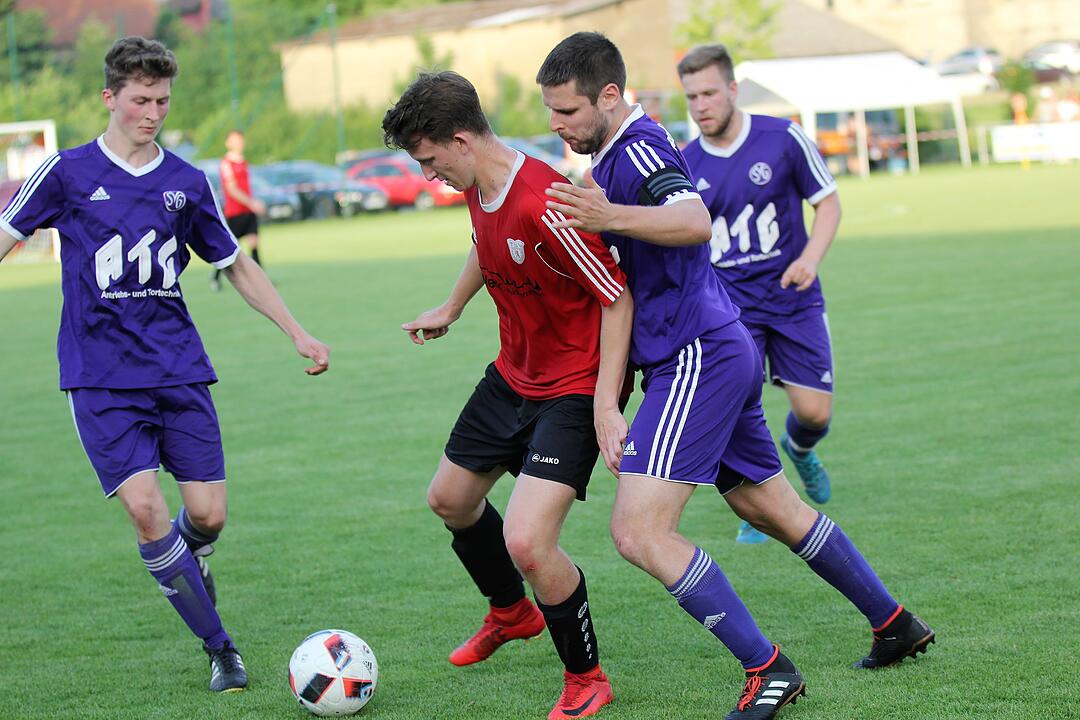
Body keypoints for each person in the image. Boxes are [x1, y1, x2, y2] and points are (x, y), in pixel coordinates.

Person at [537, 32, 934, 720]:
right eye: (550, 113)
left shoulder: (642, 148)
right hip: (714, 343)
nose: (557, 125)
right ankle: (893, 622)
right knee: (767, 507)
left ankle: (769, 670)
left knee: (639, 532)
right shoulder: (617, 152)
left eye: (567, 112)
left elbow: (692, 220)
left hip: (696, 353)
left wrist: (609, 215)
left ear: (609, 96)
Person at [0, 37, 330, 693]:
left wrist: (295, 330)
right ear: (110, 98)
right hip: (98, 377)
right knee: (147, 509)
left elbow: (234, 262)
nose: (152, 112)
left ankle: (191, 556)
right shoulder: (65, 172)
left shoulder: (186, 181)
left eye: (162, 100)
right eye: (141, 100)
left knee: (207, 516)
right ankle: (221, 648)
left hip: (178, 369)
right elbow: (7, 236)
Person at [383, 71, 633, 720]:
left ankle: (587, 679)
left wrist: (606, 403)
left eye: (430, 160)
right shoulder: (480, 185)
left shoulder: (546, 201)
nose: (429, 173)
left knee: (528, 543)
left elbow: (616, 294)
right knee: (450, 499)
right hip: (513, 375)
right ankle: (511, 612)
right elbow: (483, 245)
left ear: (461, 141)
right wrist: (453, 307)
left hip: (573, 388)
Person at [677, 44, 842, 545]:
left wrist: (810, 259)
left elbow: (828, 203)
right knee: (737, 408)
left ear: (731, 89)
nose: (700, 104)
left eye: (708, 92)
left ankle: (799, 448)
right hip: (730, 311)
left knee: (815, 414)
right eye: (691, 97)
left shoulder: (783, 138)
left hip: (793, 297)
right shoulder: (684, 162)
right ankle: (760, 505)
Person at [210, 129, 265, 291]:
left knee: (254, 243)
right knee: (230, 249)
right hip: (235, 212)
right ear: (228, 143)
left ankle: (261, 282)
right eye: (235, 140)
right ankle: (215, 277)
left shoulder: (243, 162)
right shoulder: (227, 163)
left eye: (240, 140)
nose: (239, 143)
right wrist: (252, 203)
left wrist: (252, 204)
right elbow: (232, 189)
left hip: (248, 211)